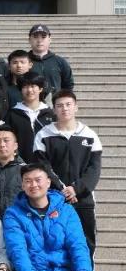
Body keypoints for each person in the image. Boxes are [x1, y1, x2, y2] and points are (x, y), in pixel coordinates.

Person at [34, 90, 102, 257]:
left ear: (76, 107)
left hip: (83, 199)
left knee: (86, 240)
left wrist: (76, 189)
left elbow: (94, 170)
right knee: (55, 241)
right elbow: (43, 167)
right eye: (59, 105)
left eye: (68, 104)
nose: (64, 108)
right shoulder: (43, 135)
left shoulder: (90, 135)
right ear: (54, 109)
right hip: (53, 199)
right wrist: (62, 189)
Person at [5, 72, 54, 162]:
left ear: (40, 89)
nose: (29, 90)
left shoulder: (51, 114)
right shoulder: (13, 114)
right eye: (25, 87)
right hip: (21, 164)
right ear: (20, 90)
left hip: (48, 163)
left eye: (33, 86)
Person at [27, 23, 74, 95]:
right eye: (35, 37)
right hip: (28, 101)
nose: (39, 40)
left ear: (49, 39)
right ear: (29, 40)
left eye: (43, 37)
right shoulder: (23, 62)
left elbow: (68, 86)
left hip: (54, 101)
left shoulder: (60, 62)